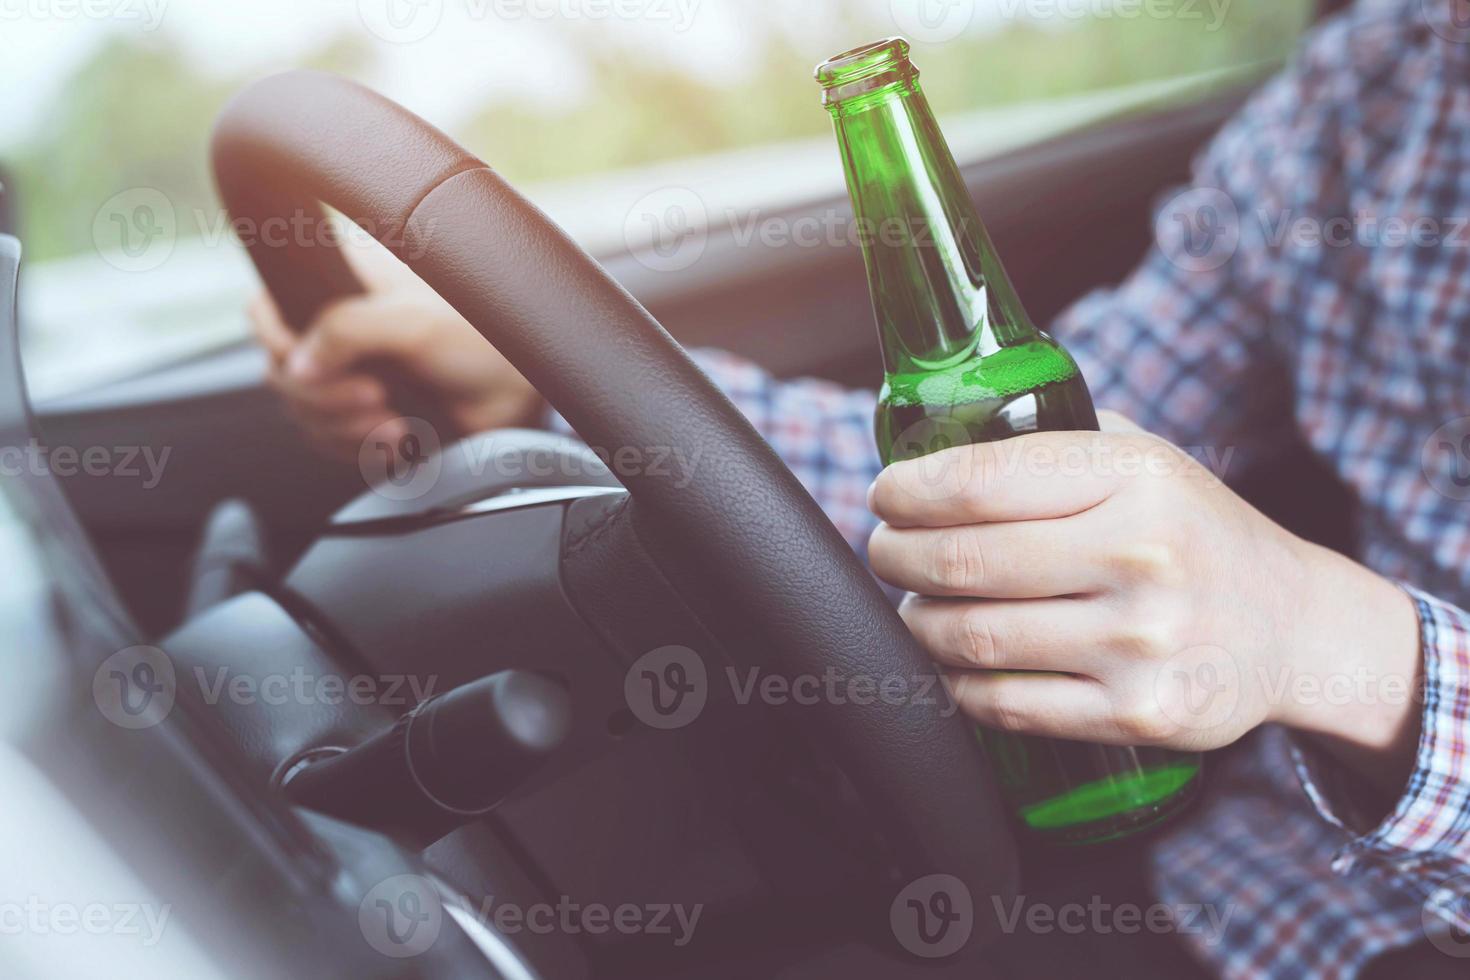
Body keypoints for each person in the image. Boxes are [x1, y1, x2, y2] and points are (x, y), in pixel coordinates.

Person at [251, 2, 1470, 975]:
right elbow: (1022, 454)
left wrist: (1327, 634)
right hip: (1232, 878)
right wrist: (523, 372)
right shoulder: (1376, 88)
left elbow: (1288, 615)